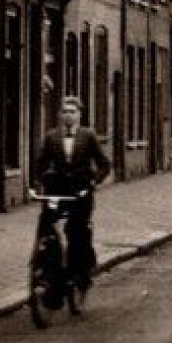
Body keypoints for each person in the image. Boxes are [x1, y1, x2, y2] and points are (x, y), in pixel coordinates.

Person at [33, 97, 113, 293]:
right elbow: (40, 164)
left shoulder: (88, 136)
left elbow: (104, 163)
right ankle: (45, 268)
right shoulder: (51, 137)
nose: (68, 115)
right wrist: (38, 183)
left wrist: (93, 182)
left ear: (79, 115)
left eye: (72, 112)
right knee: (46, 224)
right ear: (60, 115)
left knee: (77, 231)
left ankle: (79, 272)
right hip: (57, 191)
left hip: (80, 192)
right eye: (65, 111)